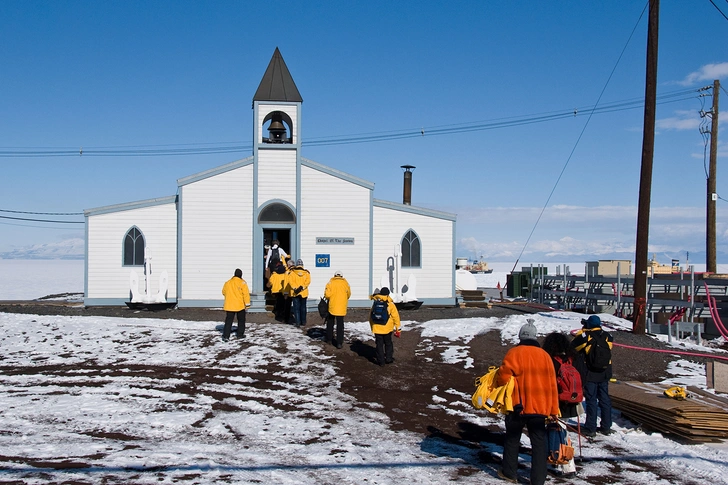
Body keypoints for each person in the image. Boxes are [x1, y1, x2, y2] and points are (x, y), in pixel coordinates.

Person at [495, 321, 560, 485]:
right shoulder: (545, 356)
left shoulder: (515, 353)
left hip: (519, 406)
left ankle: (509, 473)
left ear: (521, 337)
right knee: (539, 443)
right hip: (541, 407)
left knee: (512, 438)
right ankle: (538, 479)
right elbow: (553, 385)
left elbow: (503, 377)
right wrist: (553, 410)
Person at [542, 331, 580, 477]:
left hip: (557, 401)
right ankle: (562, 461)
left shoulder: (551, 360)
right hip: (572, 401)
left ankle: (566, 464)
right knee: (562, 431)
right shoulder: (573, 358)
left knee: (559, 432)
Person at [571, 315, 614, 437]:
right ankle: (606, 426)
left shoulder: (586, 336)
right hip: (604, 372)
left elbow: (574, 346)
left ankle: (591, 427)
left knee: (591, 400)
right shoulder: (607, 336)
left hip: (590, 372)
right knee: (604, 399)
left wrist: (583, 331)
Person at [369, 287, 401, 366]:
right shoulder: (390, 304)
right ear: (388, 294)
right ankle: (389, 358)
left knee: (379, 344)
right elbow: (396, 317)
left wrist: (372, 327)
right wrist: (398, 329)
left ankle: (381, 361)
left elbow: (370, 316)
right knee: (388, 343)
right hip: (387, 328)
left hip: (377, 328)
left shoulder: (376, 302)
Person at [323, 270, 351, 348]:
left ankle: (329, 339)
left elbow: (327, 295)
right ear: (341, 276)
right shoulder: (346, 283)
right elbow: (349, 294)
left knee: (330, 323)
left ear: (334, 276)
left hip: (332, 306)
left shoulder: (330, 283)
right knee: (340, 325)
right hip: (341, 307)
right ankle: (339, 343)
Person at [221, 268, 251, 341]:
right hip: (240, 305)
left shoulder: (228, 282)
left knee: (228, 321)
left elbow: (223, 292)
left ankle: (226, 336)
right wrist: (247, 305)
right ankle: (240, 334)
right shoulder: (242, 283)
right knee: (241, 320)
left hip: (229, 305)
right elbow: (246, 294)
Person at [287, 259, 311, 327]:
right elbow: (308, 281)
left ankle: (297, 322)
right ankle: (303, 322)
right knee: (303, 307)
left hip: (295, 293)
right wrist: (302, 287)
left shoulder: (292, 272)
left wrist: (295, 288)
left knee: (296, 308)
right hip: (304, 292)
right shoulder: (306, 273)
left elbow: (290, 282)